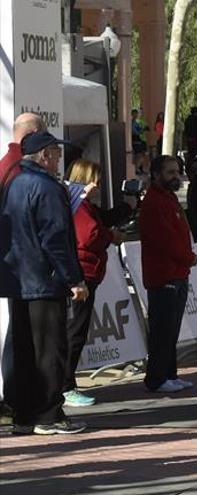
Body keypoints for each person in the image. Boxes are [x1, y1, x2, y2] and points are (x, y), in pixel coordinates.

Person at [0, 131, 89, 435]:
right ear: (44, 155)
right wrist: (74, 279)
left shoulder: (14, 183)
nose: (59, 158)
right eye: (55, 152)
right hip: (43, 279)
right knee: (49, 349)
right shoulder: (46, 187)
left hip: (19, 277)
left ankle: (23, 414)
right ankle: (48, 414)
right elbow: (55, 239)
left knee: (23, 347)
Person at [63, 159, 136, 407]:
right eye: (95, 179)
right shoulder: (79, 205)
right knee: (75, 331)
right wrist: (110, 236)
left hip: (88, 272)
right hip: (82, 273)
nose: (98, 185)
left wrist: (124, 210)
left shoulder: (84, 205)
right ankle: (65, 386)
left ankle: (65, 384)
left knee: (76, 330)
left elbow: (101, 220)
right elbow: (89, 234)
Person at [140, 155, 197, 393]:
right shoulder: (154, 201)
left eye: (177, 171)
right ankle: (157, 377)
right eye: (170, 172)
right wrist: (187, 257)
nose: (176, 176)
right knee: (162, 329)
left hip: (178, 272)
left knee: (172, 328)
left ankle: (169, 373)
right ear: (157, 175)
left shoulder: (170, 198)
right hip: (164, 275)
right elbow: (164, 240)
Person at [0, 113, 44, 421]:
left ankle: (16, 398)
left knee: (18, 332)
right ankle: (19, 400)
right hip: (20, 262)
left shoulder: (8, 165)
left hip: (15, 260)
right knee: (21, 334)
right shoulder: (16, 170)